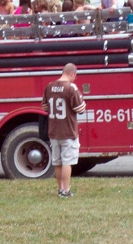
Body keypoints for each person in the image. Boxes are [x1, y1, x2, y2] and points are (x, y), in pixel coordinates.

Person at [41, 63, 86, 197]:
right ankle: (66, 191)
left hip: (53, 131)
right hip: (68, 131)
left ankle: (60, 188)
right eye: (74, 76)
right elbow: (80, 109)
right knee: (67, 162)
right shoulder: (71, 88)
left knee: (58, 162)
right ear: (72, 74)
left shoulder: (49, 86)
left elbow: (44, 107)